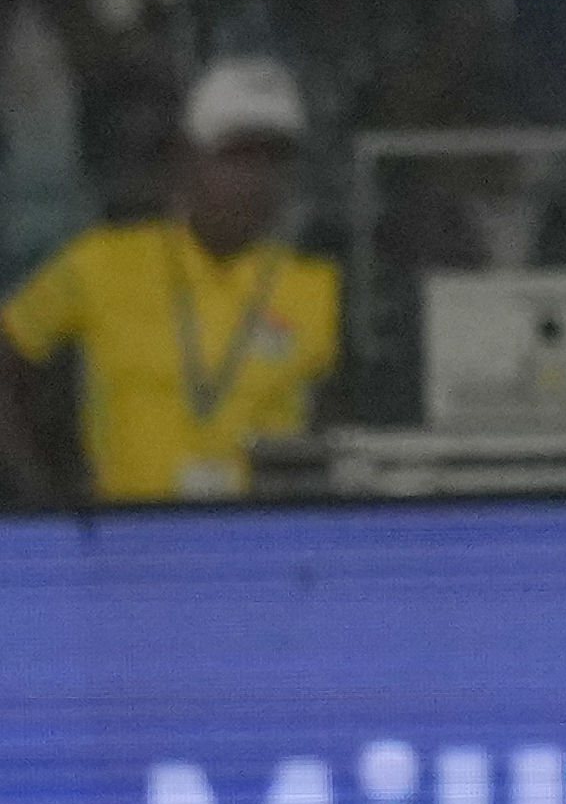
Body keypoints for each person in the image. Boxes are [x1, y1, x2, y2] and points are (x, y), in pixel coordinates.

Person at [0, 57, 337, 504]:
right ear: (186, 159)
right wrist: (41, 499)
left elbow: (348, 437)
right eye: (235, 156)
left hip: (260, 535)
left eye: (273, 160)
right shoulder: (101, 263)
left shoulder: (319, 286)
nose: (255, 180)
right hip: (126, 532)